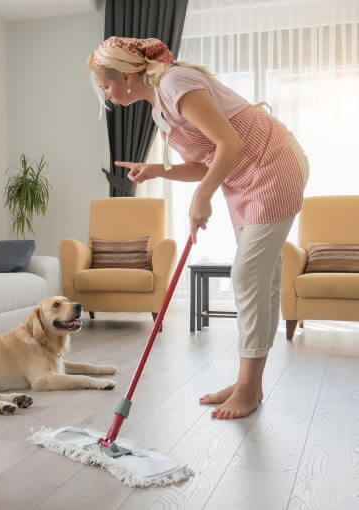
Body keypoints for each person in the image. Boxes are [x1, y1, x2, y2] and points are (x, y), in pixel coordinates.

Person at [87, 36, 309, 420]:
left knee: (248, 275)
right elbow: (206, 161)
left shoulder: (174, 83)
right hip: (244, 181)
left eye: (105, 85)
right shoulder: (159, 110)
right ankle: (248, 384)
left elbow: (231, 143)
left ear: (125, 77)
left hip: (273, 165)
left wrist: (202, 198)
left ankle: (248, 387)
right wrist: (157, 170)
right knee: (261, 280)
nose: (106, 94)